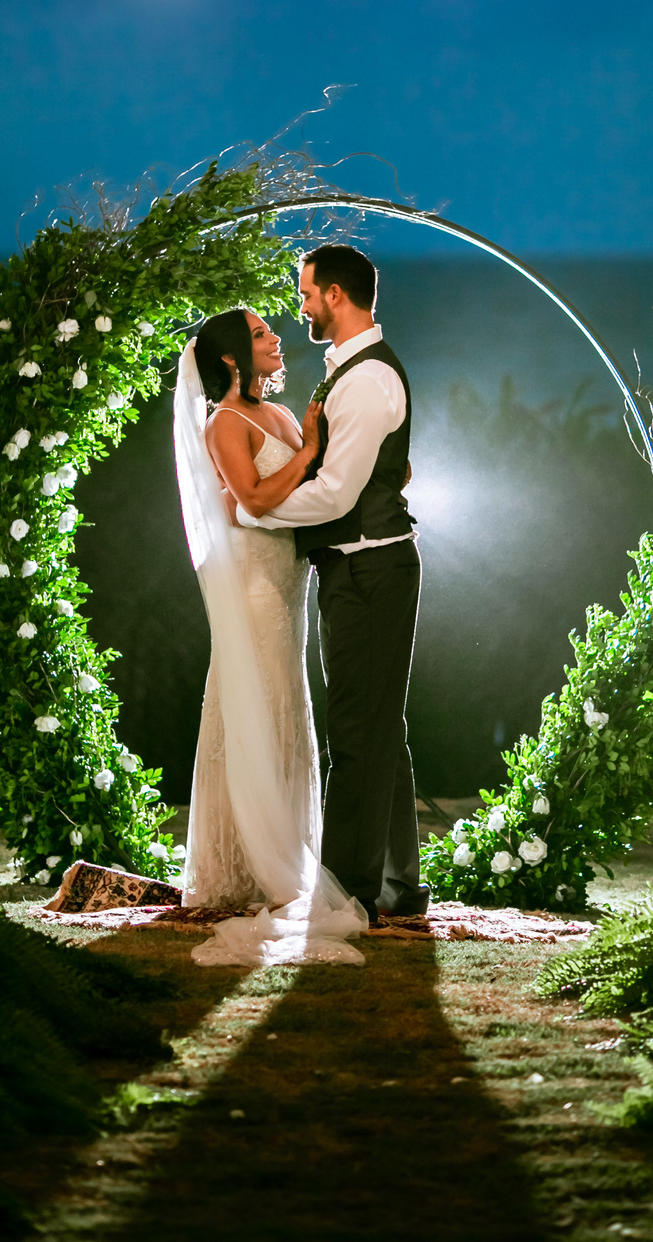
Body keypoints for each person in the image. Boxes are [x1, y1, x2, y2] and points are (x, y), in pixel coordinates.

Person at [237, 244, 428, 927]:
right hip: (356, 564)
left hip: (371, 564)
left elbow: (337, 495)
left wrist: (252, 510)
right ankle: (398, 883)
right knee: (380, 729)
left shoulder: (367, 381)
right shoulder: (346, 372)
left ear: (338, 296)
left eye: (308, 294)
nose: (303, 306)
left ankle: (349, 892)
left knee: (358, 732)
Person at [172, 308, 365, 966]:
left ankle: (273, 848)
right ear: (231, 359)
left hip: (290, 582)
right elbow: (253, 501)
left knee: (287, 711)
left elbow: (295, 493)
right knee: (259, 707)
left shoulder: (279, 416)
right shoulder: (224, 422)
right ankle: (240, 864)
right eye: (259, 335)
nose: (276, 338)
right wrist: (309, 453)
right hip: (256, 591)